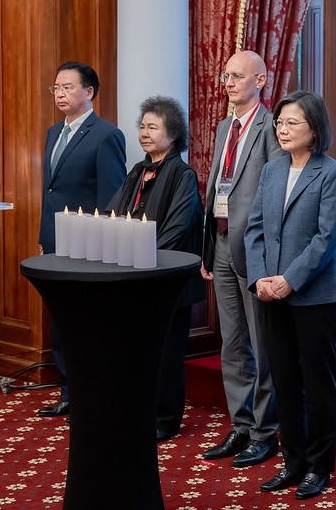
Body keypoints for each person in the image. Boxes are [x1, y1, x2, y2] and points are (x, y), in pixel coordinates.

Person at [244, 91, 336, 500]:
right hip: (270, 293)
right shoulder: (272, 170)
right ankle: (293, 463)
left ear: (315, 128)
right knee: (284, 381)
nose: (282, 130)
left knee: (317, 384)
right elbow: (254, 229)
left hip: (314, 297)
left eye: (292, 123)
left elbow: (327, 239)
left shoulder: (331, 173)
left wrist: (289, 279)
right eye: (280, 123)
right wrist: (259, 280)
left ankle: (319, 467)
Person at [106, 96, 205, 443]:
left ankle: (166, 418)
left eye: (153, 127)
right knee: (139, 350)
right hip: (135, 277)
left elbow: (175, 231)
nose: (144, 134)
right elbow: (114, 213)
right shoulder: (137, 170)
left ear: (173, 134)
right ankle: (140, 410)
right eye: (142, 127)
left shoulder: (183, 174)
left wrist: (143, 260)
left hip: (167, 280)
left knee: (166, 353)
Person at [200, 50, 282, 467]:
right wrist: (207, 249)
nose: (228, 83)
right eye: (225, 76)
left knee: (262, 344)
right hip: (220, 244)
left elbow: (274, 195)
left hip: (256, 251)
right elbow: (218, 187)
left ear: (261, 81)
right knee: (232, 343)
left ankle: (267, 432)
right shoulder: (223, 127)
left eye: (237, 76)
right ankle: (241, 425)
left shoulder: (273, 127)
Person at [37, 61, 126, 418]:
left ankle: (93, 394)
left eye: (67, 87)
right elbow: (52, 191)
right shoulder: (52, 133)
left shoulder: (106, 135)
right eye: (55, 88)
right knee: (61, 319)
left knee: (89, 322)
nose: (59, 94)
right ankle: (69, 393)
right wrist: (45, 237)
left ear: (88, 92)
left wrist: (102, 243)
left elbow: (112, 196)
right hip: (56, 241)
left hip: (88, 243)